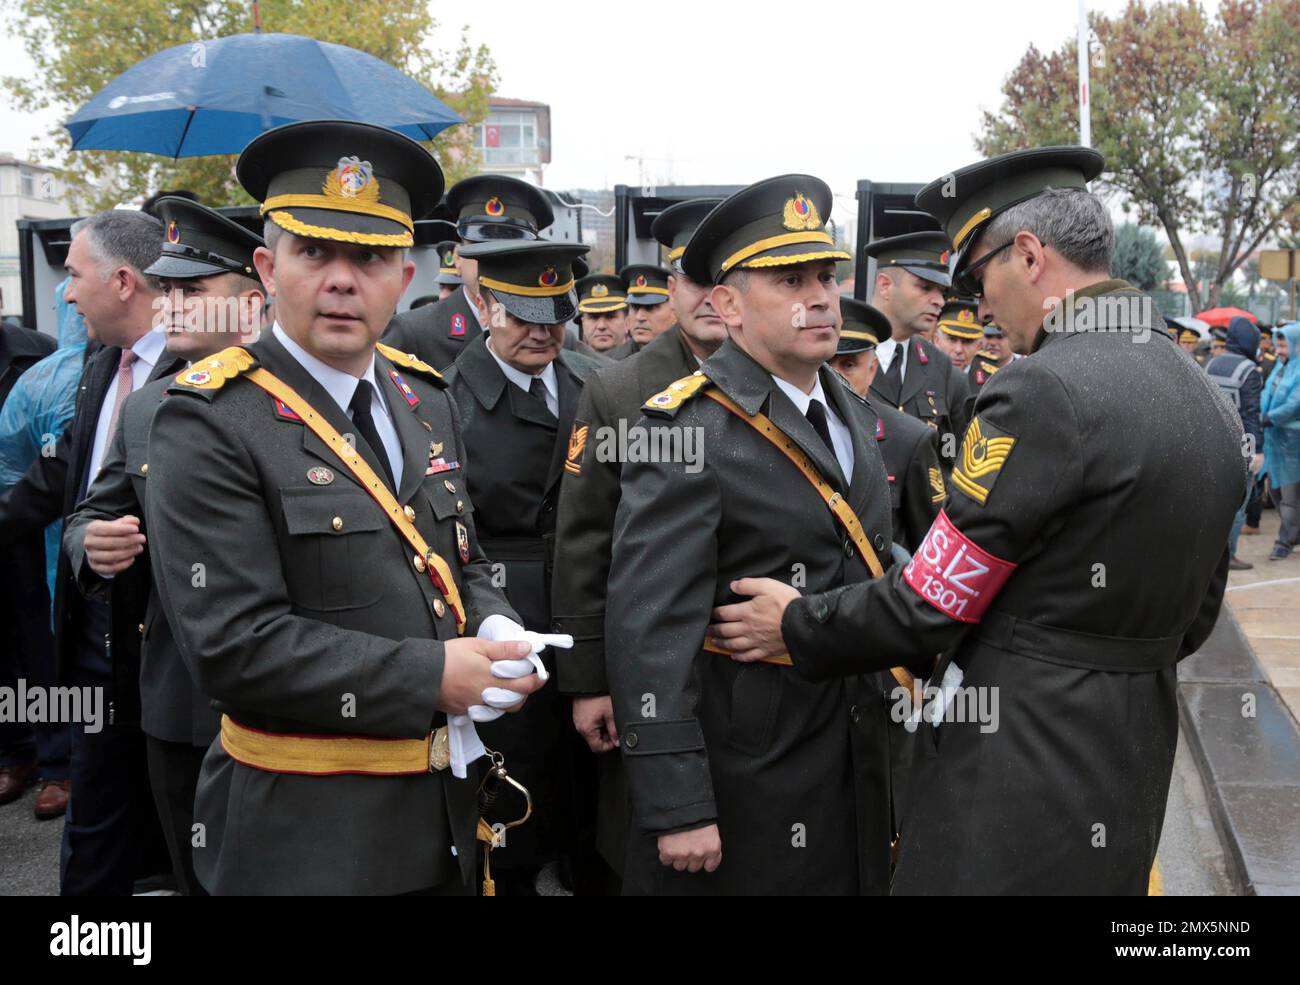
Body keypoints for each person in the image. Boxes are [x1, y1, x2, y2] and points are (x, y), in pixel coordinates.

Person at [707, 147, 1245, 895]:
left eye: (978, 278)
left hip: (1009, 778)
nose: (980, 308)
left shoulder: (1044, 393)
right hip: (1131, 764)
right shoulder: (1207, 395)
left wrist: (799, 624)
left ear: (1028, 255)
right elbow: (1198, 612)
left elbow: (934, 600)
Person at [142, 120, 546, 895]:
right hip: (307, 835)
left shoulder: (421, 396)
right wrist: (433, 674)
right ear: (267, 266)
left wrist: (492, 620)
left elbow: (462, 554)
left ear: (404, 274)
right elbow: (232, 646)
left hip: (445, 814)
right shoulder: (208, 418)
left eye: (368, 257)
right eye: (314, 251)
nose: (340, 279)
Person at [606, 175, 898, 895]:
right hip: (749, 767)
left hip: (852, 746)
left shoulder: (850, 410)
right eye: (790, 279)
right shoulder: (684, 429)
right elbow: (648, 630)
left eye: (827, 275)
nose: (822, 296)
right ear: (728, 305)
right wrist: (677, 804)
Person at [62, 197, 265, 895]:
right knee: (192, 873)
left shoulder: (313, 397)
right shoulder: (148, 405)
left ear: (253, 301)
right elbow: (88, 511)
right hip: (180, 705)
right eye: (167, 288)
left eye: (191, 291)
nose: (169, 305)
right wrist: (93, 541)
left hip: (297, 709)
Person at [0, 210, 176, 893]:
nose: (66, 295)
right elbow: (58, 478)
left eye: (75, 275)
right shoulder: (102, 364)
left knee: (177, 836)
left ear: (124, 281)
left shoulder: (211, 372)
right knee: (95, 832)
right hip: (91, 649)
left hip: (170, 655)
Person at [552, 197, 725, 888]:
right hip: (649, 670)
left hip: (758, 668)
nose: (710, 297)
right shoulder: (618, 391)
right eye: (692, 277)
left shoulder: (792, 383)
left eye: (726, 279)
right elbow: (584, 540)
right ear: (670, 286)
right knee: (651, 840)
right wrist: (590, 680)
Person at [442, 239, 602, 893]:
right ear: (484, 306)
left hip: (588, 607)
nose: (543, 331)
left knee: (589, 779)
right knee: (513, 792)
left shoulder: (593, 382)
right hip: (502, 615)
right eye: (524, 314)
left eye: (556, 315)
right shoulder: (445, 396)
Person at [383, 175, 554, 370]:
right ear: (457, 258)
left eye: (509, 250)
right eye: (479, 247)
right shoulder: (413, 334)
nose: (493, 258)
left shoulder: (550, 336)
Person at [0, 308, 62, 815]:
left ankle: (56, 761)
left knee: (37, 642)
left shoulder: (38, 355)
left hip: (27, 523)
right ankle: (15, 753)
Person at [832, 297, 944, 552]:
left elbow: (929, 546)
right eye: (826, 363)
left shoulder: (910, 440)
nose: (835, 375)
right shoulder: (792, 425)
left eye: (848, 365)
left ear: (872, 369)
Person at [865, 231, 970, 471]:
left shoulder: (943, 369)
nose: (940, 301)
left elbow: (954, 460)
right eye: (925, 287)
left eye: (942, 292)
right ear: (885, 285)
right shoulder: (836, 354)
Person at [1206, 315, 1264, 570]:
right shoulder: (1248, 371)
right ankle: (1228, 556)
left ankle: (1210, 556)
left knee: (1212, 504)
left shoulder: (1210, 364)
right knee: (1238, 505)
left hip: (1211, 443)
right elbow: (1251, 415)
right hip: (1239, 447)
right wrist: (1256, 452)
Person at [1261, 322, 1300, 560]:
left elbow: (1295, 404)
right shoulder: (1281, 367)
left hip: (1293, 442)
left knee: (1289, 496)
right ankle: (1293, 532)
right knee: (1275, 491)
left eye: (1284, 345)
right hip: (1274, 439)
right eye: (1278, 344)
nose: (1279, 350)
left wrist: (1270, 417)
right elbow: (1267, 393)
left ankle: (1284, 541)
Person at [617, 264, 675, 354]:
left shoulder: (694, 360)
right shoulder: (611, 363)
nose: (640, 317)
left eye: (650, 307)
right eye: (634, 307)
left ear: (674, 311)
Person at [576, 274, 630, 356]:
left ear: (627, 323)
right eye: (593, 317)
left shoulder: (645, 365)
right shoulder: (568, 367)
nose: (601, 326)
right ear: (583, 323)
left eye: (610, 317)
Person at [933, 298, 983, 372]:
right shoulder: (918, 371)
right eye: (952, 339)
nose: (958, 350)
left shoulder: (989, 380)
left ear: (979, 346)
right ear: (936, 340)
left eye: (967, 341)